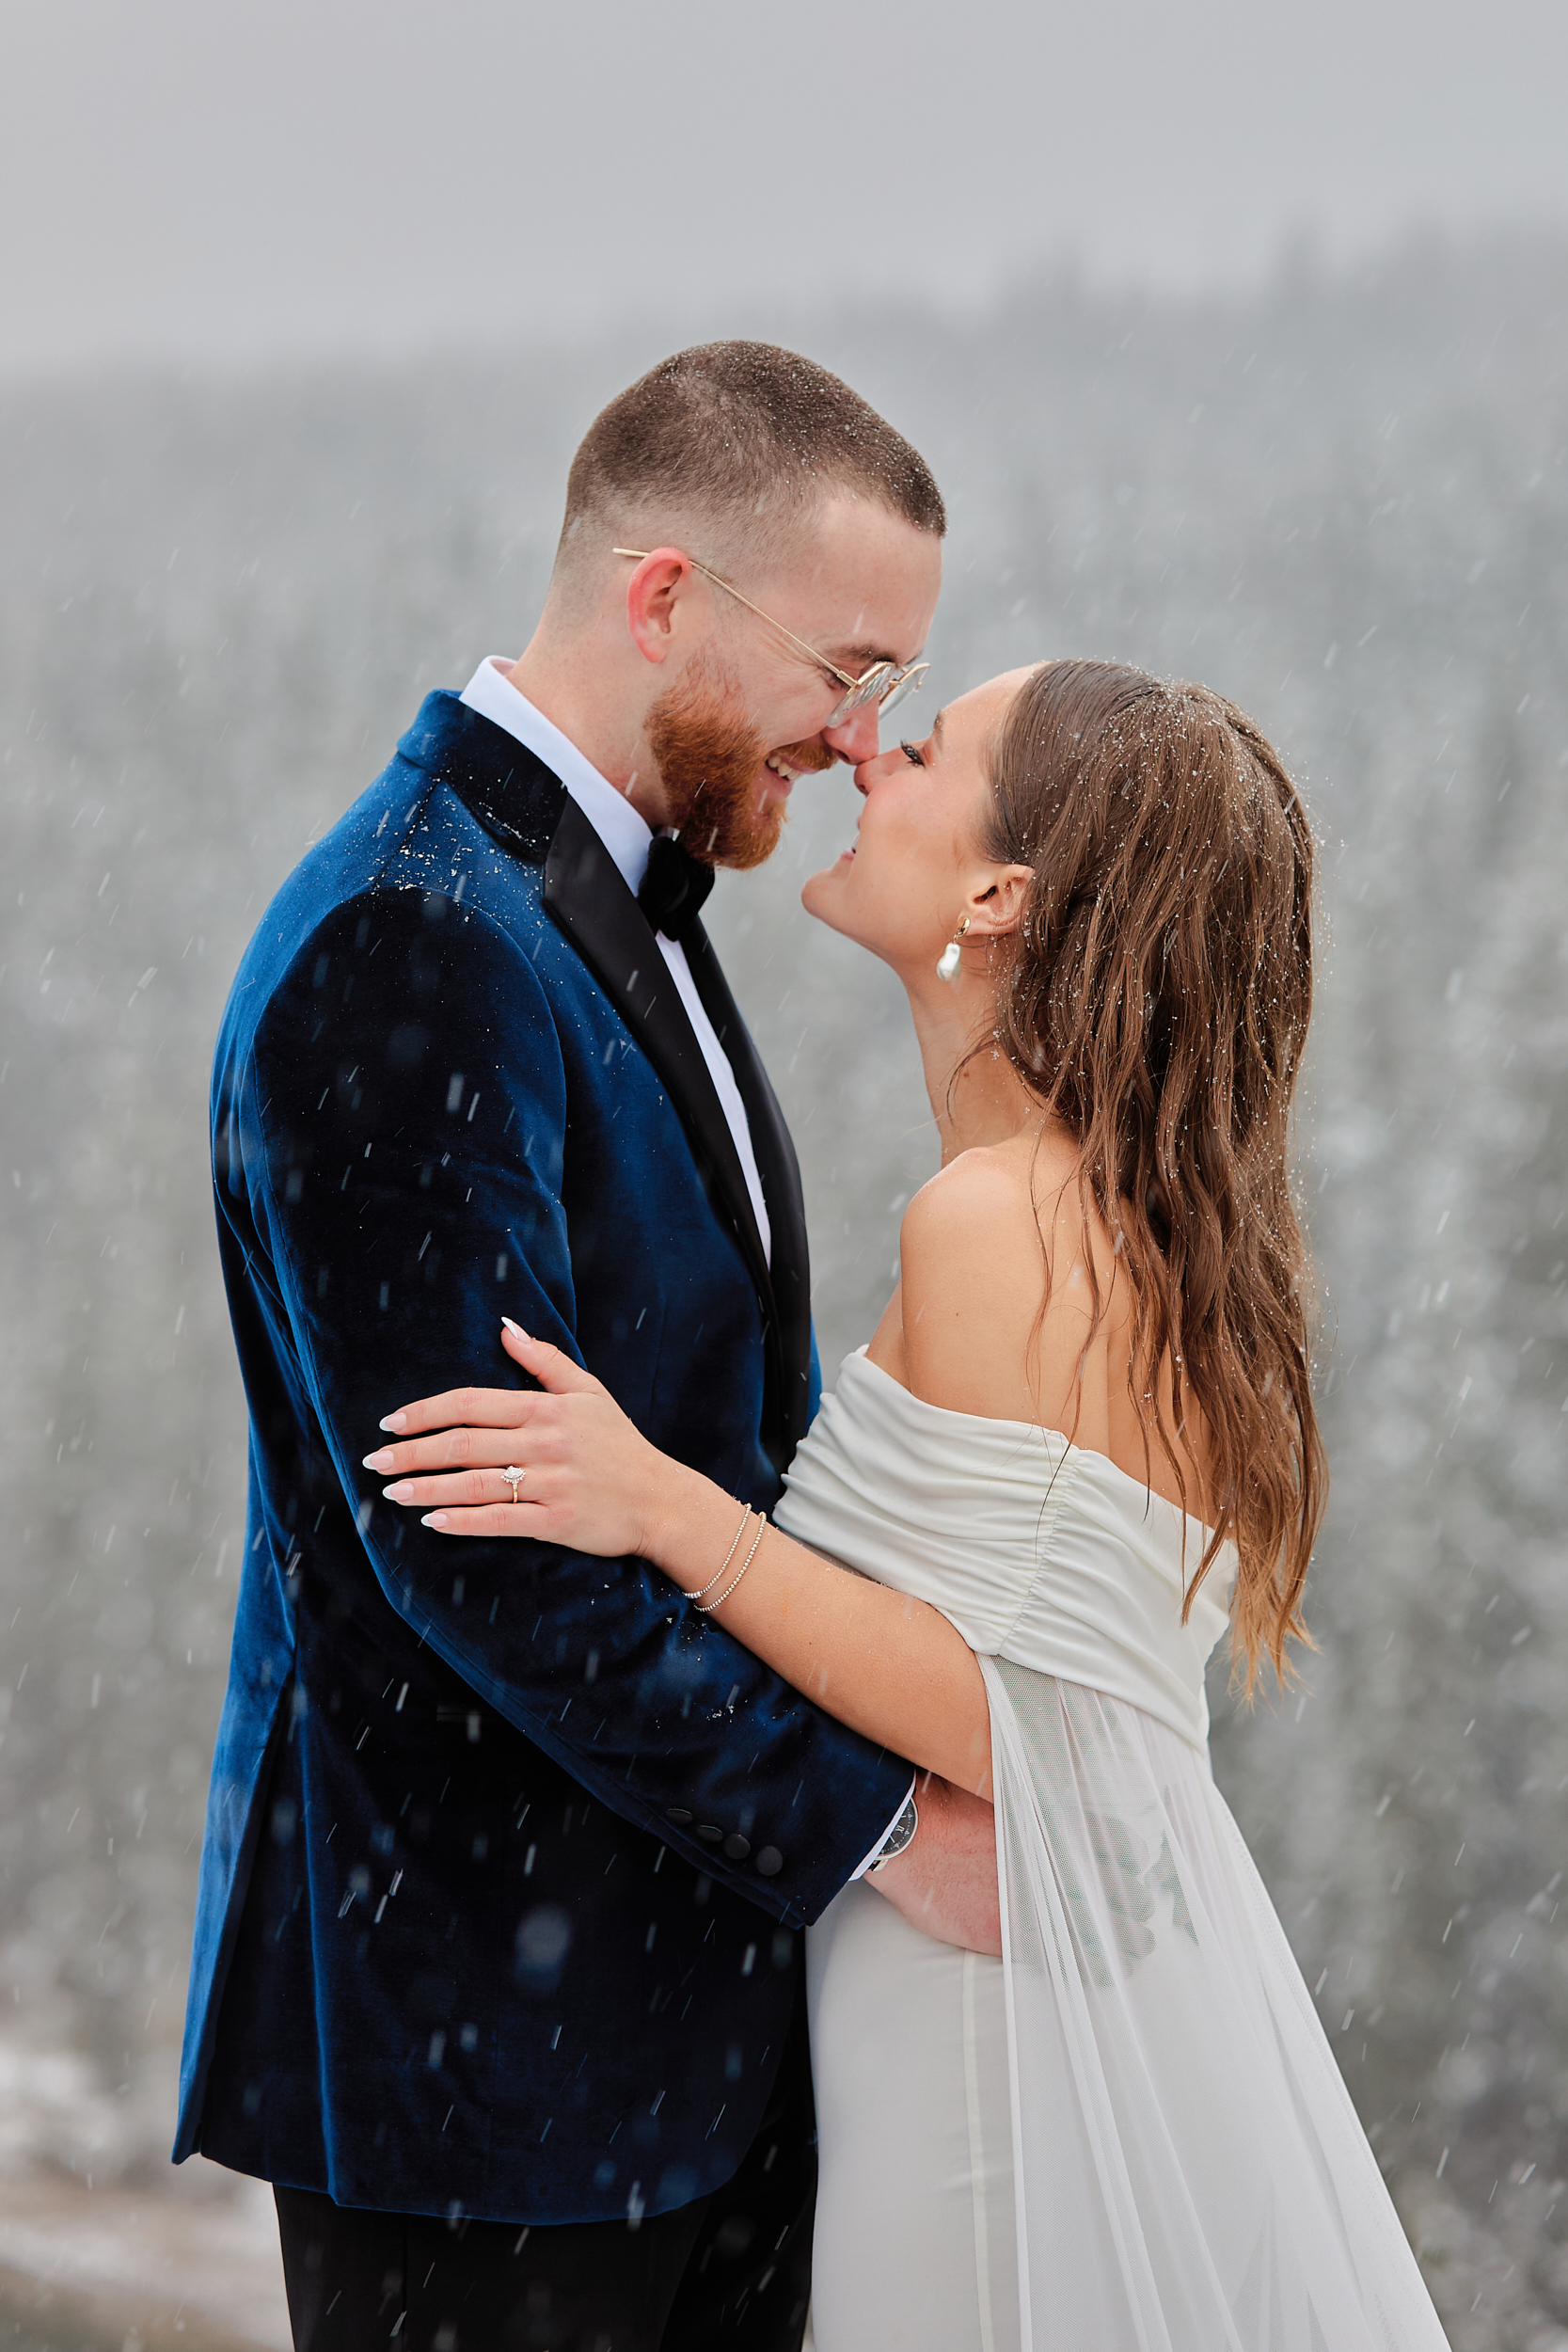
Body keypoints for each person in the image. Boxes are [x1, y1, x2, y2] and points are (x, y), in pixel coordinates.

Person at [374, 660, 1456, 2348]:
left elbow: (1003, 1713)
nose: (871, 749)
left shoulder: (1006, 1222)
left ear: (1001, 893)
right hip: (1002, 2001)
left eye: (930, 744)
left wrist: (665, 1508)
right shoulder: (1078, 1213)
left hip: (989, 2045)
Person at [176, 341, 1002, 2352]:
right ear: (661, 597)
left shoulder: (593, 896)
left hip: (672, 2041)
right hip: (480, 2069)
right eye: (849, 667)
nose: (858, 738)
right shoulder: (412, 933)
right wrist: (875, 1824)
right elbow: (480, 1546)